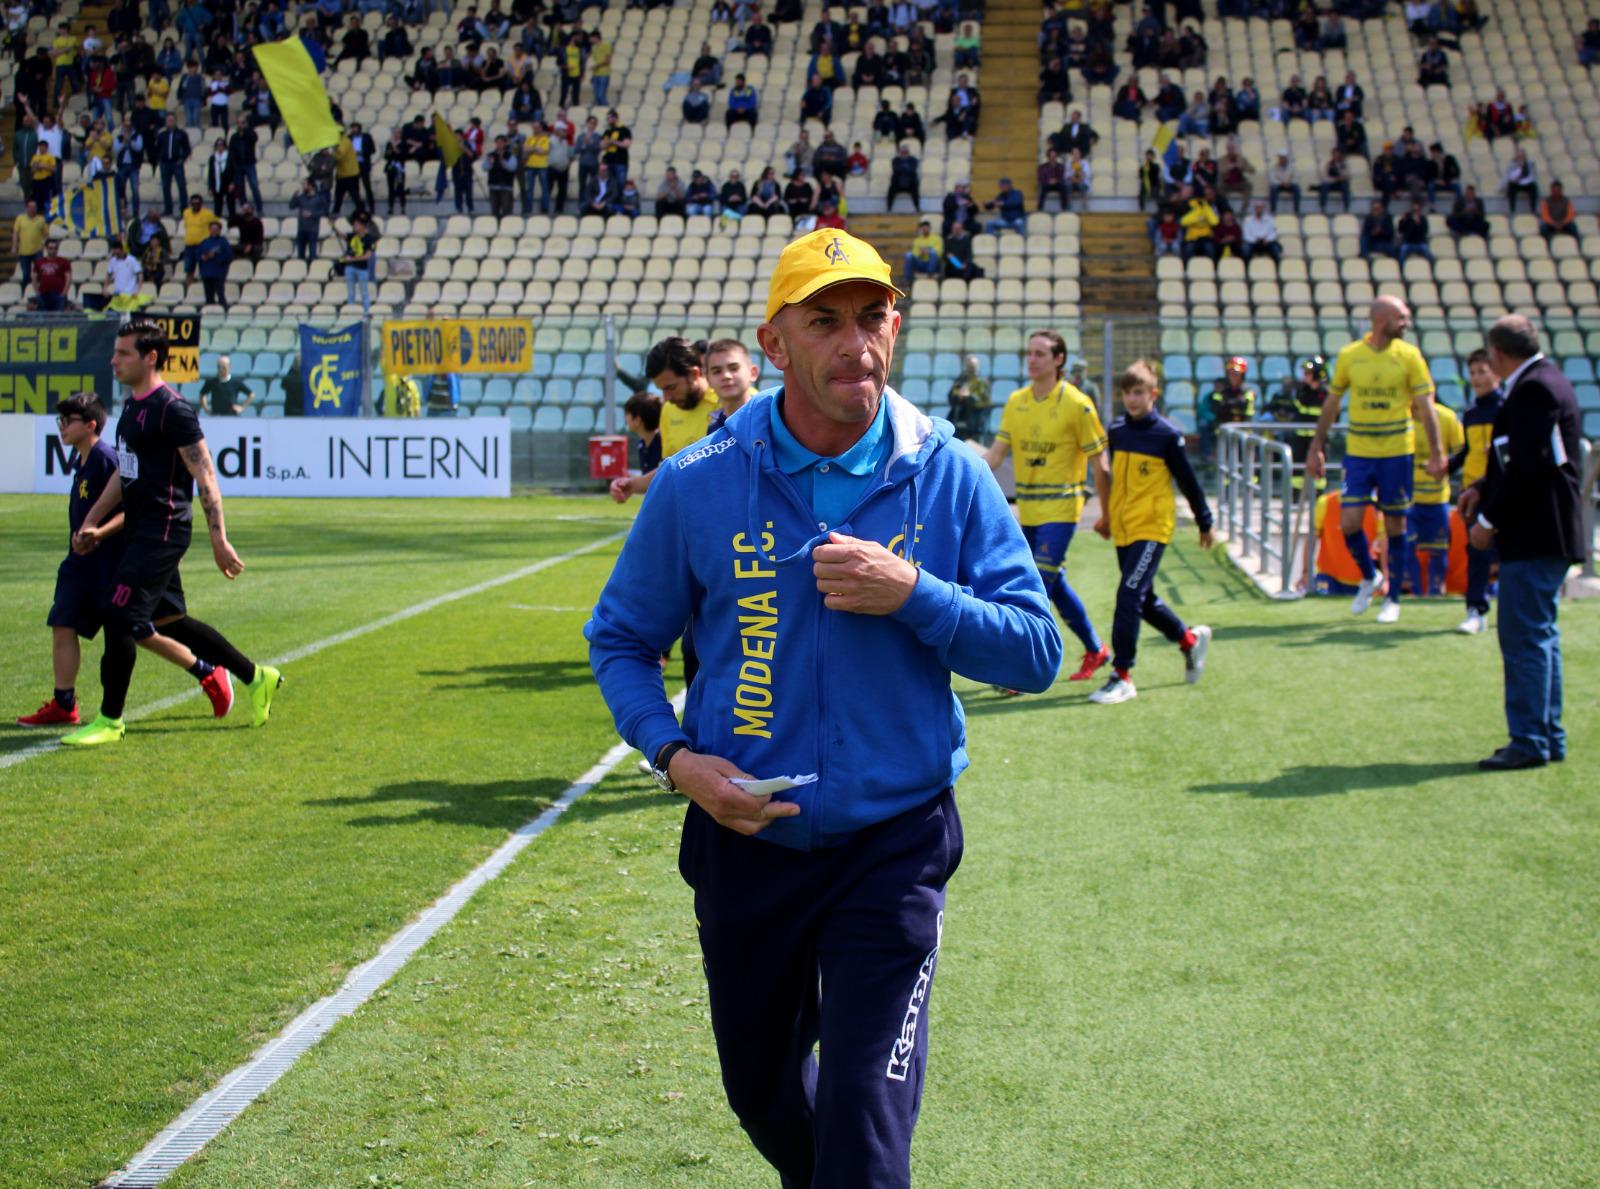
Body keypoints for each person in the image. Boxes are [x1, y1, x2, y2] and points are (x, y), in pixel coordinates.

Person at [585, 227, 1061, 1189]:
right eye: (826, 322)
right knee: (763, 1094)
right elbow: (622, 639)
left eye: (874, 317)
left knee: (864, 1130)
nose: (857, 343)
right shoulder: (698, 480)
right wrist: (676, 759)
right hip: (744, 839)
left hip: (894, 845)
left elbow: (1035, 649)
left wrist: (916, 593)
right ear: (774, 343)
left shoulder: (949, 472)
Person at [61, 321, 283, 747]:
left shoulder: (173, 410)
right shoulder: (130, 408)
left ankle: (110, 720)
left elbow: (205, 475)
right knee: (171, 622)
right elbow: (124, 475)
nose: (114, 360)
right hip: (139, 530)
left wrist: (219, 538)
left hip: (163, 530)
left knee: (118, 615)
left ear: (151, 358)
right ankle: (257, 677)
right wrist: (93, 520)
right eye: (115, 352)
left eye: (123, 353)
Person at [1460, 316, 1583, 770]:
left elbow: (1529, 466)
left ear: (1497, 353)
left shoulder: (1533, 388)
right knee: (1540, 636)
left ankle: (1530, 740)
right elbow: (1522, 459)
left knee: (1525, 638)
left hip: (1535, 532)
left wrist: (1487, 519)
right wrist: (1482, 485)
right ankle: (1546, 735)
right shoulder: (1548, 381)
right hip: (1547, 530)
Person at [984, 329, 1113, 687]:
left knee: (1037, 586)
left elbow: (1100, 463)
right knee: (1054, 583)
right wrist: (958, 474)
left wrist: (1107, 514)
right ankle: (1096, 649)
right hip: (1028, 512)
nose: (1032, 359)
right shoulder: (1016, 401)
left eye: (1040, 353)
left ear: (1059, 360)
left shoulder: (1078, 404)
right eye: (1029, 353)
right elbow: (995, 456)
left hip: (1063, 510)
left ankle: (1018, 671)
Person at [1307, 297, 1447, 624]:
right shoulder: (1350, 356)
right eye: (1402, 317)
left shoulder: (1409, 356)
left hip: (1397, 452)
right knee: (1349, 522)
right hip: (1359, 452)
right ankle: (1370, 576)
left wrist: (1438, 452)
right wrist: (1316, 446)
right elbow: (1332, 403)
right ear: (1382, 319)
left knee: (1396, 525)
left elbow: (1425, 406)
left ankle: (1393, 598)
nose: (1406, 324)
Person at [1087, 360, 1213, 705]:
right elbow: (1115, 480)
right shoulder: (1117, 431)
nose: (1132, 399)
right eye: (1127, 392)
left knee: (1129, 594)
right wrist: (1107, 516)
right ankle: (1189, 641)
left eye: (1139, 392)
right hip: (1125, 528)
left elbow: (1188, 481)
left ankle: (1122, 675)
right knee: (1144, 599)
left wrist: (1204, 521)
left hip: (1153, 528)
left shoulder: (1167, 435)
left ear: (1153, 394)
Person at [16, 395, 130, 728]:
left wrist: (98, 533)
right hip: (80, 565)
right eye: (60, 421)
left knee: (143, 634)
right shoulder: (82, 460)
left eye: (68, 421)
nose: (62, 427)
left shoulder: (106, 459)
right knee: (62, 621)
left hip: (108, 565)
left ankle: (206, 671)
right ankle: (64, 704)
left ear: (90, 425)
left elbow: (131, 509)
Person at [608, 337, 719, 503]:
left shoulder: (728, 403)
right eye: (661, 390)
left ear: (694, 374)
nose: (666, 398)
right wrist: (632, 485)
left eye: (671, 387)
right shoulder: (668, 410)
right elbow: (671, 470)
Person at [1453, 348, 1503, 633]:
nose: (1477, 378)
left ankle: (1511, 606)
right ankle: (1476, 609)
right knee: (1476, 549)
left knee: (1506, 552)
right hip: (1473, 491)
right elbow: (1466, 452)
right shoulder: (1471, 413)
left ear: (1497, 373)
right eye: (1472, 372)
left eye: (1482, 371)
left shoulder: (1506, 409)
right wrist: (1446, 467)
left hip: (1501, 489)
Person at [1405, 388, 1464, 597]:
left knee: (1438, 551)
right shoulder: (1400, 417)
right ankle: (1415, 593)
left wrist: (1445, 466)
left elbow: (1462, 452)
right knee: (1406, 547)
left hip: (1437, 498)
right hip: (1407, 499)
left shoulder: (1447, 418)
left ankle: (1435, 593)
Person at [703, 337, 761, 431]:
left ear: (753, 373)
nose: (726, 376)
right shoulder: (714, 428)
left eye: (734, 368)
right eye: (717, 371)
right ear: (708, 380)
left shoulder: (772, 417)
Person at [945, 355, 990, 441]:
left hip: (975, 425)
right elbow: (951, 397)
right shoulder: (960, 380)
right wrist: (958, 396)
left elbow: (984, 402)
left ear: (977, 367)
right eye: (968, 367)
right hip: (958, 421)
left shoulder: (982, 382)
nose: (970, 369)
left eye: (972, 367)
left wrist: (969, 396)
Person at [340, 213, 377, 313]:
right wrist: (333, 225)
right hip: (350, 268)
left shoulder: (368, 239)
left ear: (362, 226)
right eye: (354, 225)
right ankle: (351, 313)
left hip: (362, 269)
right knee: (350, 293)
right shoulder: (352, 236)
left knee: (364, 293)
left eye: (357, 224)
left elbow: (367, 256)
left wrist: (352, 259)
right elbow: (341, 235)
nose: (354, 226)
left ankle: (367, 313)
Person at [11, 199, 48, 288]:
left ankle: (39, 291)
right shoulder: (20, 218)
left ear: (36, 208)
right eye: (30, 207)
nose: (32, 209)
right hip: (24, 251)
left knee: (39, 273)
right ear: (27, 208)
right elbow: (15, 233)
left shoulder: (41, 219)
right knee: (26, 274)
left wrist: (43, 244)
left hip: (37, 251)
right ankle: (26, 291)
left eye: (34, 207)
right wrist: (14, 246)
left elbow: (46, 234)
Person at [195, 220, 232, 308]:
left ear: (219, 230)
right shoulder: (205, 242)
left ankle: (223, 311)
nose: (214, 231)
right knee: (208, 296)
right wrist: (202, 257)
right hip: (206, 273)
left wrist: (215, 257)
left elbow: (229, 256)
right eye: (212, 229)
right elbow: (197, 255)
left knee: (220, 295)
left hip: (218, 273)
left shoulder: (223, 242)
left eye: (216, 229)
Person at [902, 219, 941, 285]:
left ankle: (930, 276)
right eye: (923, 228)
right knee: (908, 255)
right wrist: (920, 253)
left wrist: (928, 251)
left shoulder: (937, 239)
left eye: (926, 228)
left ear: (929, 228)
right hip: (920, 263)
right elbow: (915, 254)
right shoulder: (917, 240)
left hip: (932, 264)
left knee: (933, 253)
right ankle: (908, 281)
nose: (925, 230)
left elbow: (939, 253)